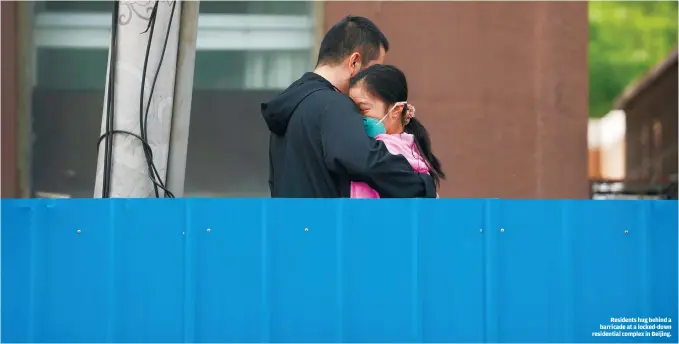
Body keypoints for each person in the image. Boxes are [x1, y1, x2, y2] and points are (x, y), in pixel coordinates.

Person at [261, 15, 437, 198]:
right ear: (354, 62)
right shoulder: (333, 105)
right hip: (327, 224)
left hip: (292, 224)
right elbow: (366, 161)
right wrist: (422, 184)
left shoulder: (291, 108)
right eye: (372, 69)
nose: (374, 78)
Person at [348, 64, 445, 198]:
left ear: (396, 110)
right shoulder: (411, 147)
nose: (357, 117)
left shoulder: (380, 151)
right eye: (353, 110)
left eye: (363, 109)